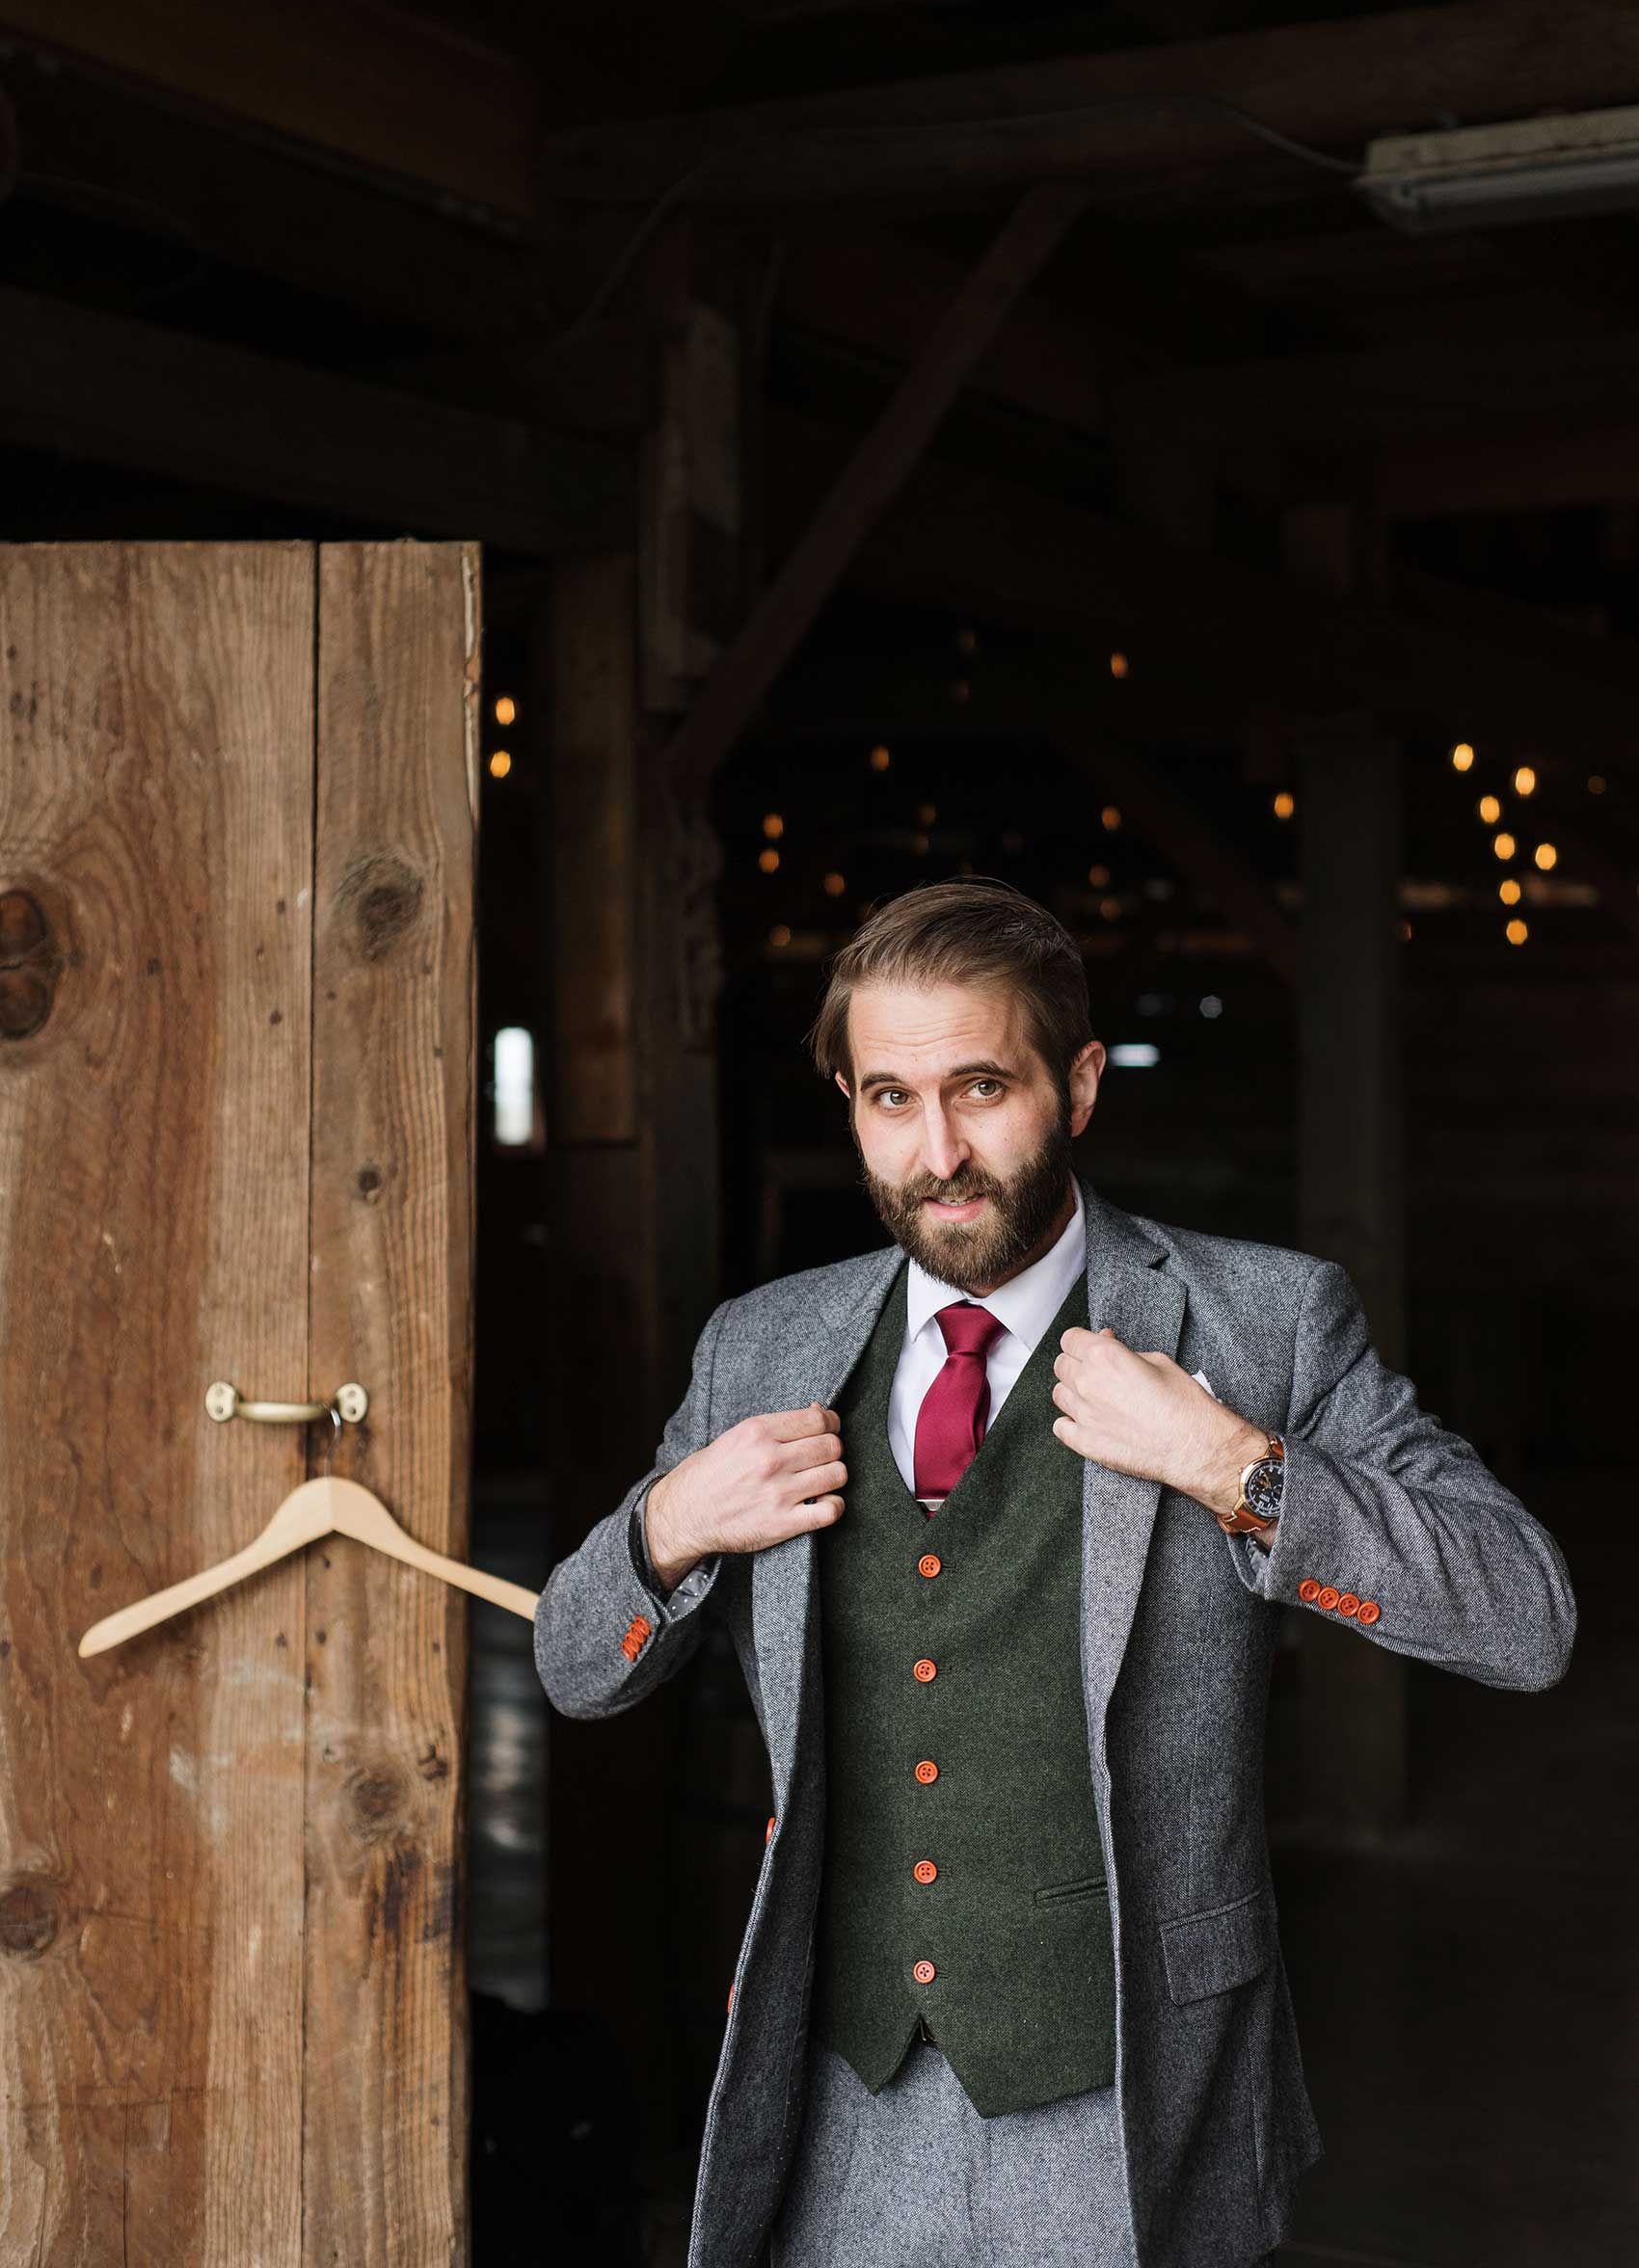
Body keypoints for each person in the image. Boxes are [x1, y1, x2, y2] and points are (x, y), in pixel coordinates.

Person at [534, 877, 1575, 2268]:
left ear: (1078, 1086)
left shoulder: (1260, 1321)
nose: (940, 1149)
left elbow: (1527, 1617)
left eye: (982, 1087)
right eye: (890, 1099)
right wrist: (669, 1524)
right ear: (848, 1103)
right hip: (844, 2104)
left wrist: (1240, 1471)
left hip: (1131, 2094)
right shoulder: (761, 1349)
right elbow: (570, 1662)